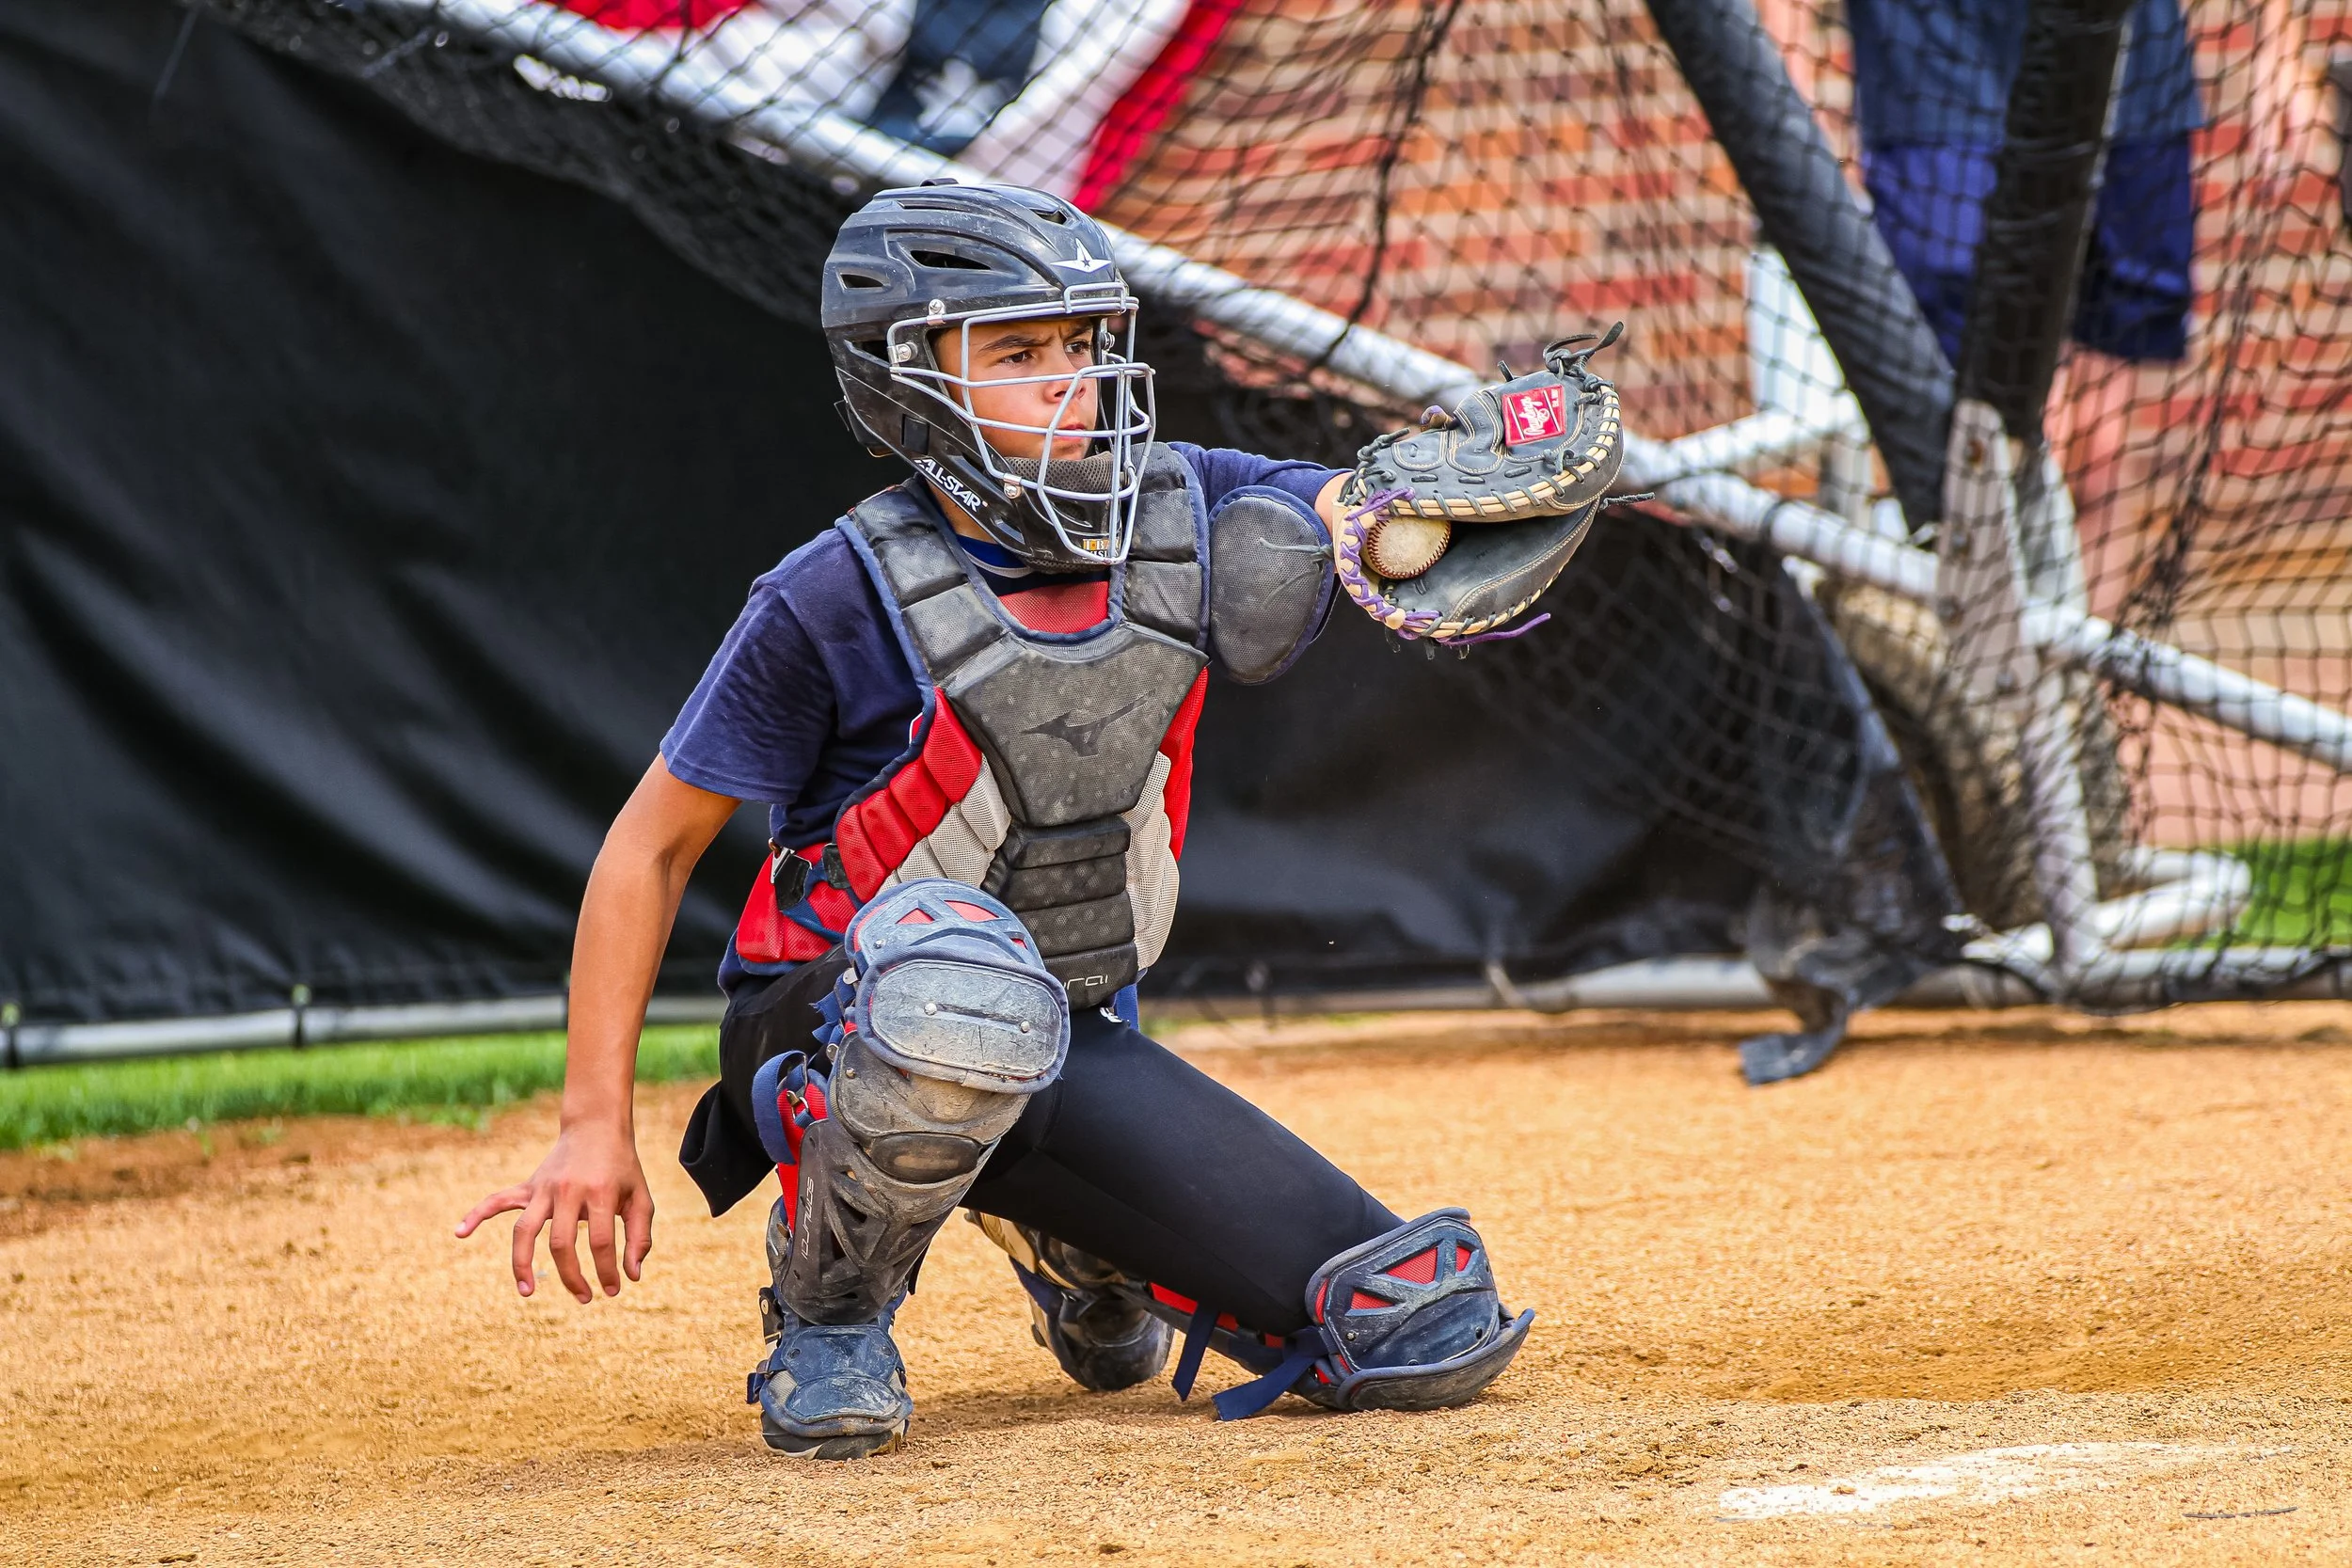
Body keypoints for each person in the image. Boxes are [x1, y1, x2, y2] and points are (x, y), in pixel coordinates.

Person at [457, 182, 1534, 1460]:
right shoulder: (832, 593)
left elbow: (1365, 518)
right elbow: (648, 847)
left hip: (1066, 1021)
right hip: (832, 1021)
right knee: (953, 985)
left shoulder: (1185, 506)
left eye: (1080, 343)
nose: (1071, 380)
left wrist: (1474, 489)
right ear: (907, 385)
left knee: (1405, 1320)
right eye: (1019, 353)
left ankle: (1069, 1235)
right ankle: (830, 1309)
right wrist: (594, 1123)